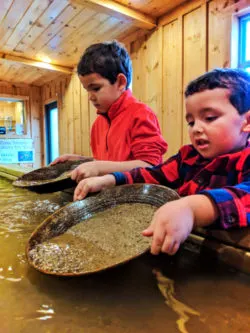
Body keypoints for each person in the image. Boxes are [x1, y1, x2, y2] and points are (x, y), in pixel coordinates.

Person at [72, 68, 250, 256]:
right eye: (191, 122)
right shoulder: (187, 157)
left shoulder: (245, 160)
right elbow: (153, 174)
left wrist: (191, 208)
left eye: (210, 118)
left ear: (246, 121)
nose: (196, 128)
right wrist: (110, 179)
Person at [51, 40, 167, 183]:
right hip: (109, 197)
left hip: (137, 199)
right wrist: (78, 161)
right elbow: (106, 162)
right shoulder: (98, 125)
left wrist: (98, 167)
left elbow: (150, 166)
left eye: (96, 88)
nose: (90, 97)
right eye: (87, 90)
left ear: (120, 82)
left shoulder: (140, 114)